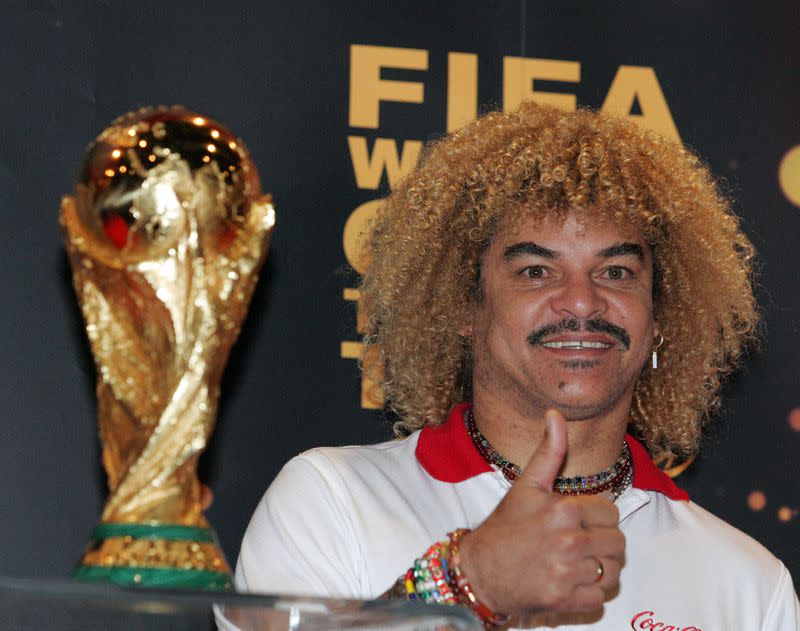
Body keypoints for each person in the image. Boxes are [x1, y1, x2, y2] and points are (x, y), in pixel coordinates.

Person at [234, 103, 800, 629]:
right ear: (465, 307)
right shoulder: (334, 501)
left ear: (658, 319)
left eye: (617, 272)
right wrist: (467, 585)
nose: (582, 302)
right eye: (536, 271)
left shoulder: (752, 585)